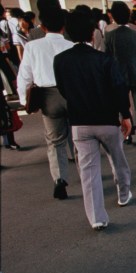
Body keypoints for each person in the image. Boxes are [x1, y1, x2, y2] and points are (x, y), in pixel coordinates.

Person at [54, 10, 133, 230]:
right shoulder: (104, 59)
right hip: (107, 120)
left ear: (68, 34)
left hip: (80, 122)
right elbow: (118, 88)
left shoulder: (61, 61)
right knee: (117, 159)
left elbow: (63, 89)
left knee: (88, 172)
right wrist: (125, 115)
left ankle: (97, 218)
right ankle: (123, 194)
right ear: (92, 34)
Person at [16, 7, 72, 199]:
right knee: (80, 136)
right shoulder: (71, 46)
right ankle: (87, 173)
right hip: (71, 95)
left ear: (43, 26)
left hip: (48, 97)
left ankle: (60, 179)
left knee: (55, 142)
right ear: (64, 26)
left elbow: (24, 76)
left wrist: (25, 101)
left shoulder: (32, 47)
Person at [105, 1, 136, 146]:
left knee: (122, 107)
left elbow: (107, 58)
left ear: (113, 17)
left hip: (118, 77)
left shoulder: (109, 36)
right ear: (129, 14)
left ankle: (127, 135)